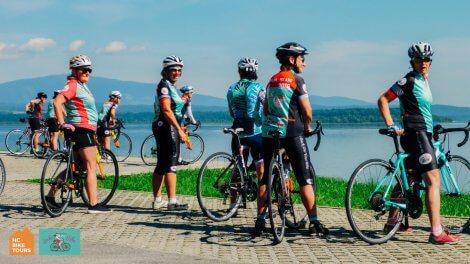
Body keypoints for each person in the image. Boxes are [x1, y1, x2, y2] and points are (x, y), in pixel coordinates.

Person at [377, 42, 461, 244]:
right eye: (418, 59)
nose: (422, 63)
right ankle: (436, 232)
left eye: (426, 59)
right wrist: (390, 124)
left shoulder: (423, 81)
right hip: (417, 134)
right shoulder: (409, 81)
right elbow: (382, 100)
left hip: (421, 134)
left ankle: (391, 222)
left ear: (430, 62)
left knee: (409, 177)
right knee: (433, 180)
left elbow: (421, 108)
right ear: (412, 61)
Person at [254, 42, 328, 236]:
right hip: (292, 131)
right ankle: (314, 223)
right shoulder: (297, 80)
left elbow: (266, 109)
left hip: (270, 133)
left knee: (265, 179)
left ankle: (260, 222)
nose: (305, 63)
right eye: (303, 59)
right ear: (293, 59)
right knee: (304, 178)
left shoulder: (270, 81)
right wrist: (307, 127)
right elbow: (307, 111)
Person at [47, 54, 111, 214]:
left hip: (84, 129)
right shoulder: (73, 84)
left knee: (73, 167)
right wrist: (62, 123)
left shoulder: (81, 85)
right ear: (75, 71)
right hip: (82, 130)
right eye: (84, 70)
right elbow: (57, 101)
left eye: (89, 70)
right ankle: (93, 204)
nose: (87, 72)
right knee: (91, 166)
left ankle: (49, 197)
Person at [227, 57, 265, 211]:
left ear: (239, 72)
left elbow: (231, 112)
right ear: (255, 71)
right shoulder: (259, 87)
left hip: (238, 129)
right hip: (255, 131)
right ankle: (262, 209)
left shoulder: (231, 88)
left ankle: (232, 205)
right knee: (260, 168)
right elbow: (266, 106)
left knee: (238, 167)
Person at [151, 55, 189, 210]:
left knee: (162, 163)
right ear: (165, 70)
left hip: (165, 125)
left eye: (179, 70)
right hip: (166, 125)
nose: (177, 73)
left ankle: (158, 200)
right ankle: (172, 202)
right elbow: (166, 109)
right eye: (173, 70)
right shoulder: (164, 86)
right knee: (171, 163)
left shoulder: (169, 86)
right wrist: (179, 129)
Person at [177, 85, 200, 165]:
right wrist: (194, 122)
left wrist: (186, 118)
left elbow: (181, 111)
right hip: (176, 122)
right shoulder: (187, 100)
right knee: (177, 140)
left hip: (174, 119)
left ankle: (155, 148)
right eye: (191, 92)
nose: (192, 94)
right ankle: (179, 160)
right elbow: (189, 113)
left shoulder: (180, 99)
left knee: (173, 139)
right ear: (188, 93)